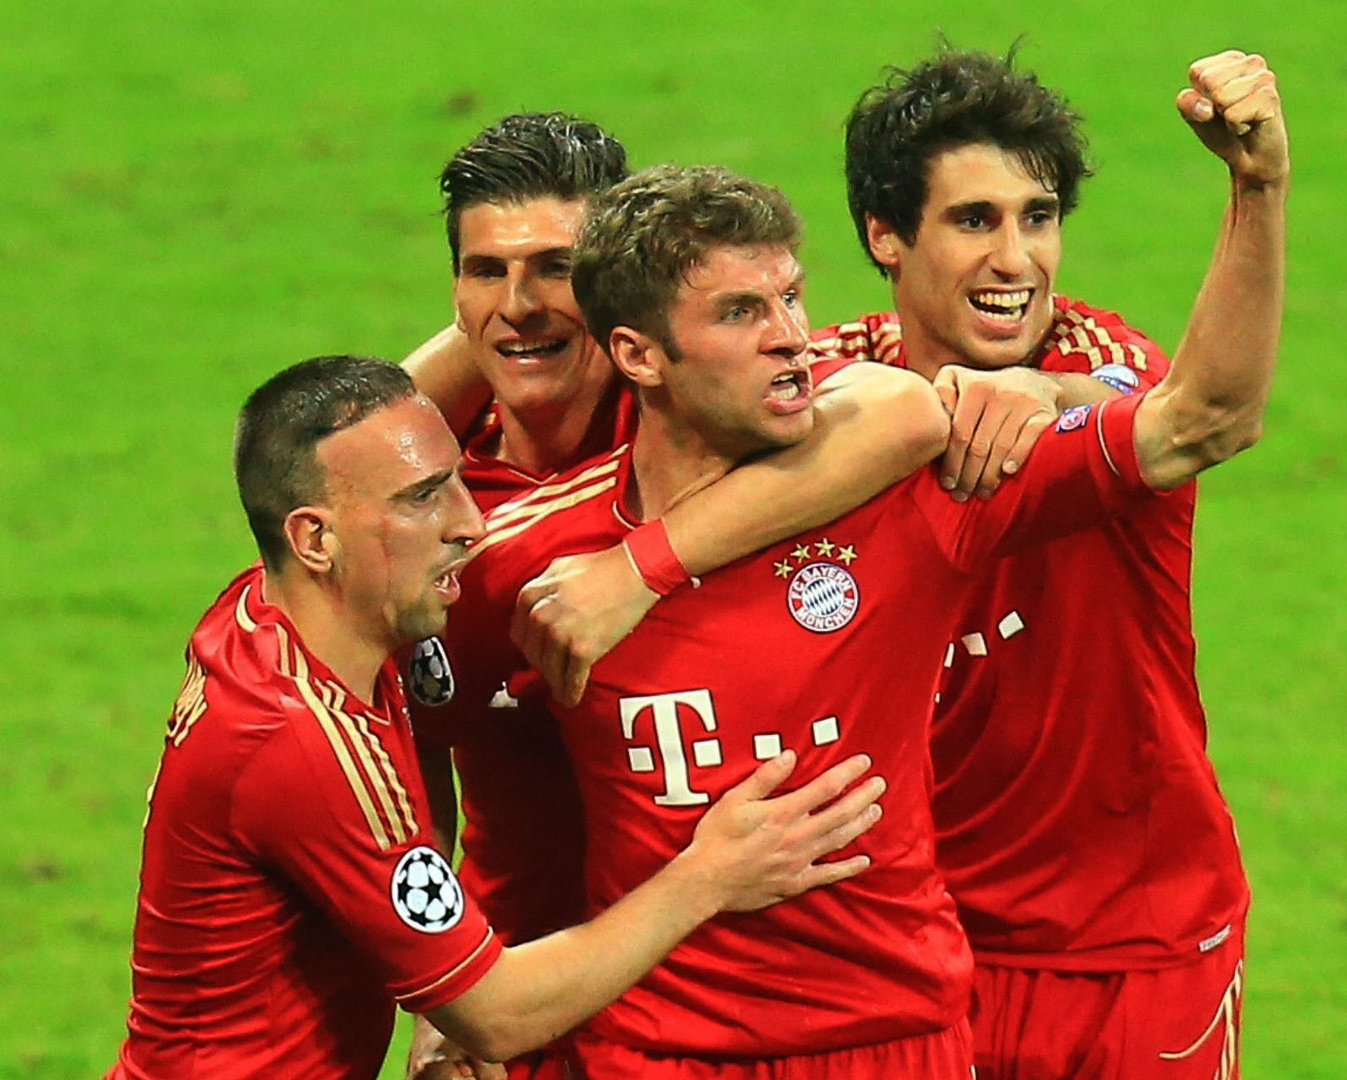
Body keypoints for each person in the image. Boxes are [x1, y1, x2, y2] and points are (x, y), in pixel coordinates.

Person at [440, 152, 1276, 1079]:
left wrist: (1259, 189)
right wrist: (452, 993)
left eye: (792, 299)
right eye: (740, 313)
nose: (794, 337)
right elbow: (399, 738)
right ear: (638, 354)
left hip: (892, 1042)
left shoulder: (909, 491)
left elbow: (1196, 421)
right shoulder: (531, 565)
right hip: (654, 1051)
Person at [105, 355, 885, 1080]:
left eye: (454, 482)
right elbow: (499, 1014)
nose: (469, 523)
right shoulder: (299, 742)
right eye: (421, 498)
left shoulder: (275, 613)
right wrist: (708, 875)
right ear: (314, 537)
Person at [397, 112, 958, 1080]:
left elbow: (902, 410)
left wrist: (641, 565)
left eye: (555, 270)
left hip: (716, 997)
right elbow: (390, 718)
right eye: (486, 273)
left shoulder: (701, 418)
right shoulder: (443, 505)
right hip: (531, 984)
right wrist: (441, 989)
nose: (521, 306)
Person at [811, 48, 1288, 1079]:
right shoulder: (822, 393)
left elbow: (1206, 412)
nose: (1017, 258)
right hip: (912, 956)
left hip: (1133, 950)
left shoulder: (1101, 365)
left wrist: (1258, 186)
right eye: (975, 220)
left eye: (1038, 216)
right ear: (883, 235)